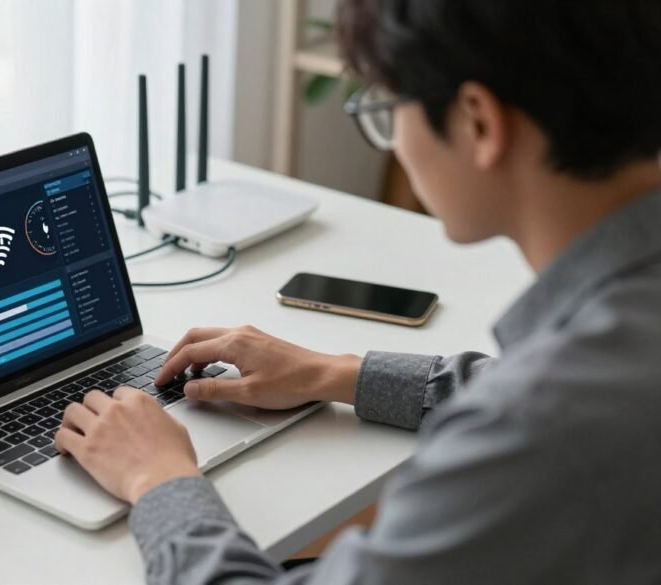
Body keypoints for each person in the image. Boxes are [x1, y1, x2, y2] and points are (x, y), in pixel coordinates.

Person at [55, 0, 661, 582]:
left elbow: (542, 410)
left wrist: (159, 479)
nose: (394, 140)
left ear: (478, 121)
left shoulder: (533, 431)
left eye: (388, 108)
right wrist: (333, 372)